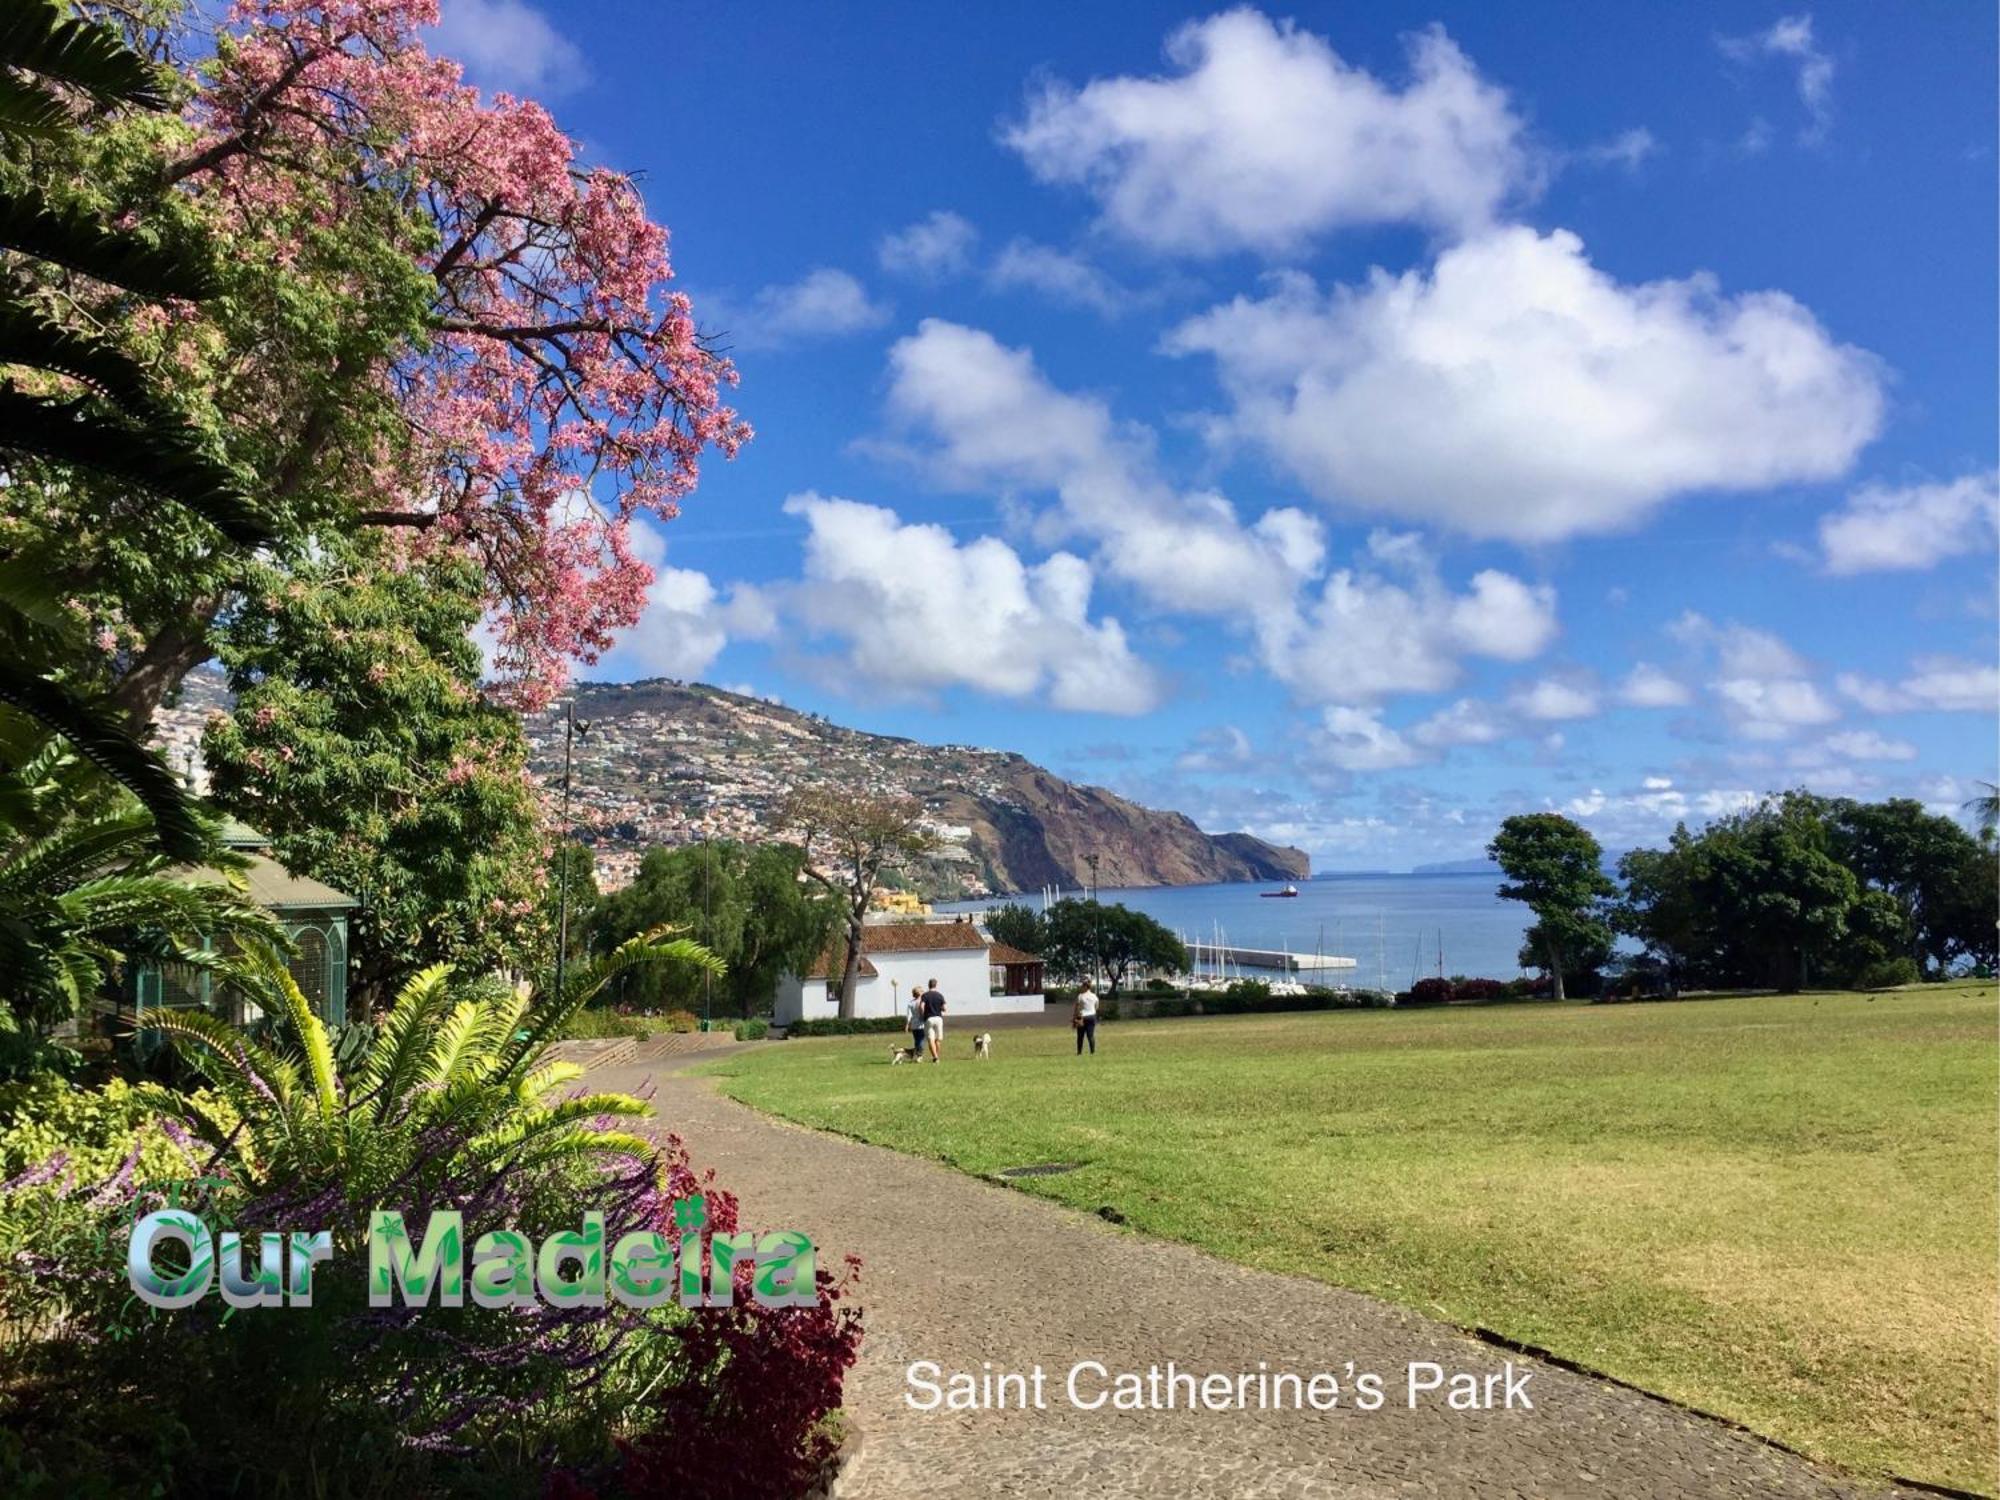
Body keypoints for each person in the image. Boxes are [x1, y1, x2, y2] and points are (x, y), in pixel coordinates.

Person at [921, 978, 947, 1062]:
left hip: (929, 1018)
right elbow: (944, 1008)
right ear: (936, 985)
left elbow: (922, 1006)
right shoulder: (940, 995)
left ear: (928, 985)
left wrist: (923, 1015)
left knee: (931, 1039)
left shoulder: (925, 995)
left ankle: (935, 1057)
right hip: (938, 1018)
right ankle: (936, 1056)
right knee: (938, 1039)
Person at [1072, 983, 1098, 1056]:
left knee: (1080, 1036)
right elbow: (1096, 1006)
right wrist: (1092, 1012)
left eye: (1082, 986)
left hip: (1082, 1017)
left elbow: (1076, 1008)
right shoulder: (1094, 996)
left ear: (1086, 987)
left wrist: (1074, 1017)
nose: (1081, 988)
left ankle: (1079, 1052)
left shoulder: (1080, 996)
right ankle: (1092, 1052)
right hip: (1092, 1016)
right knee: (1091, 1035)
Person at [906, 985, 926, 1061]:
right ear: (920, 993)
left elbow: (909, 1015)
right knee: (921, 1040)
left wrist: (907, 1024)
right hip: (922, 1024)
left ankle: (916, 1054)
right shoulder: (923, 1001)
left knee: (916, 1040)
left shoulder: (910, 1003)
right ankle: (919, 1055)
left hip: (914, 1024)